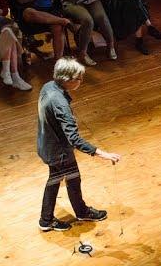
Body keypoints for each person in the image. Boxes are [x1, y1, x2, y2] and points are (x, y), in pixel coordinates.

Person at [37, 57, 120, 231]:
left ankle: (55, 217)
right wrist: (102, 154)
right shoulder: (60, 103)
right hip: (59, 153)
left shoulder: (48, 86)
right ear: (67, 80)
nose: (81, 81)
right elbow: (74, 139)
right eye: (78, 78)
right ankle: (53, 218)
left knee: (61, 179)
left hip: (46, 144)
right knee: (66, 179)